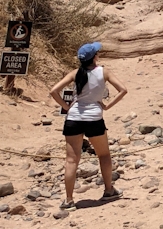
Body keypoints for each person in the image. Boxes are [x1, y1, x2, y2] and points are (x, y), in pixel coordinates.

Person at [49, 41, 127, 209]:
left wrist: (66, 107)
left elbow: (53, 91)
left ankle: (69, 200)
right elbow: (123, 90)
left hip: (74, 118)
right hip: (94, 118)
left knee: (71, 160)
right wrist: (107, 106)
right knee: (104, 155)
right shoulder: (103, 72)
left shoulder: (75, 73)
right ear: (94, 57)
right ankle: (108, 190)